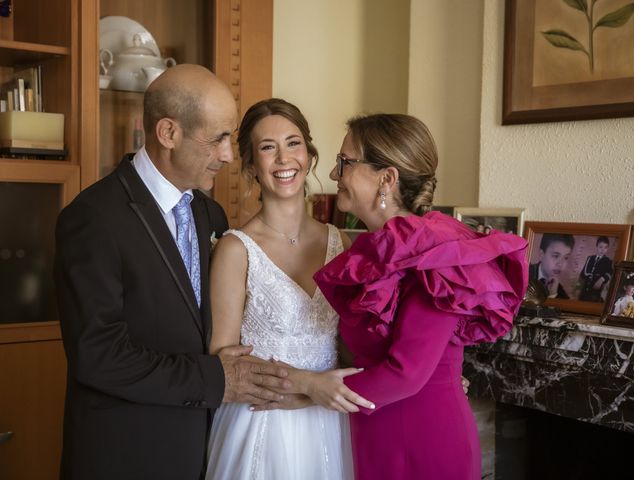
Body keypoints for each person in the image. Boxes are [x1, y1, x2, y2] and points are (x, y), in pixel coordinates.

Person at [54, 65, 290, 480]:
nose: (228, 156)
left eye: (229, 139)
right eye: (216, 139)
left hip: (203, 449)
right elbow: (98, 355)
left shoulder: (210, 214)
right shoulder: (92, 218)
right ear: (168, 133)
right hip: (128, 454)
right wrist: (215, 379)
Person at [263, 113, 527, 479]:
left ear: (386, 178)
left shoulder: (435, 252)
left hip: (425, 441)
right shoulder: (370, 249)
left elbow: (407, 373)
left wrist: (308, 391)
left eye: (345, 163)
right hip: (376, 432)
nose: (335, 174)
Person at [205, 98, 364, 479]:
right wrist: (308, 384)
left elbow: (352, 343)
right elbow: (222, 357)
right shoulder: (235, 249)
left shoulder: (341, 243)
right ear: (250, 166)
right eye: (267, 147)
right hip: (260, 423)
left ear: (309, 156)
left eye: (293, 144)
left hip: (327, 423)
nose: (283, 159)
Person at [529, 233, 575, 299]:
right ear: (541, 254)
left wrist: (553, 295)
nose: (560, 264)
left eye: (566, 257)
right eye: (556, 256)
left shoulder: (560, 292)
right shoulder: (524, 273)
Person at [578, 236, 614, 302]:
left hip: (595, 292)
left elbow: (610, 272)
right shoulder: (590, 258)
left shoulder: (608, 261)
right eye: (600, 247)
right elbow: (583, 273)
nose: (603, 250)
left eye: (605, 247)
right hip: (584, 289)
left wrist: (602, 279)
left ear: (607, 248)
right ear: (596, 246)